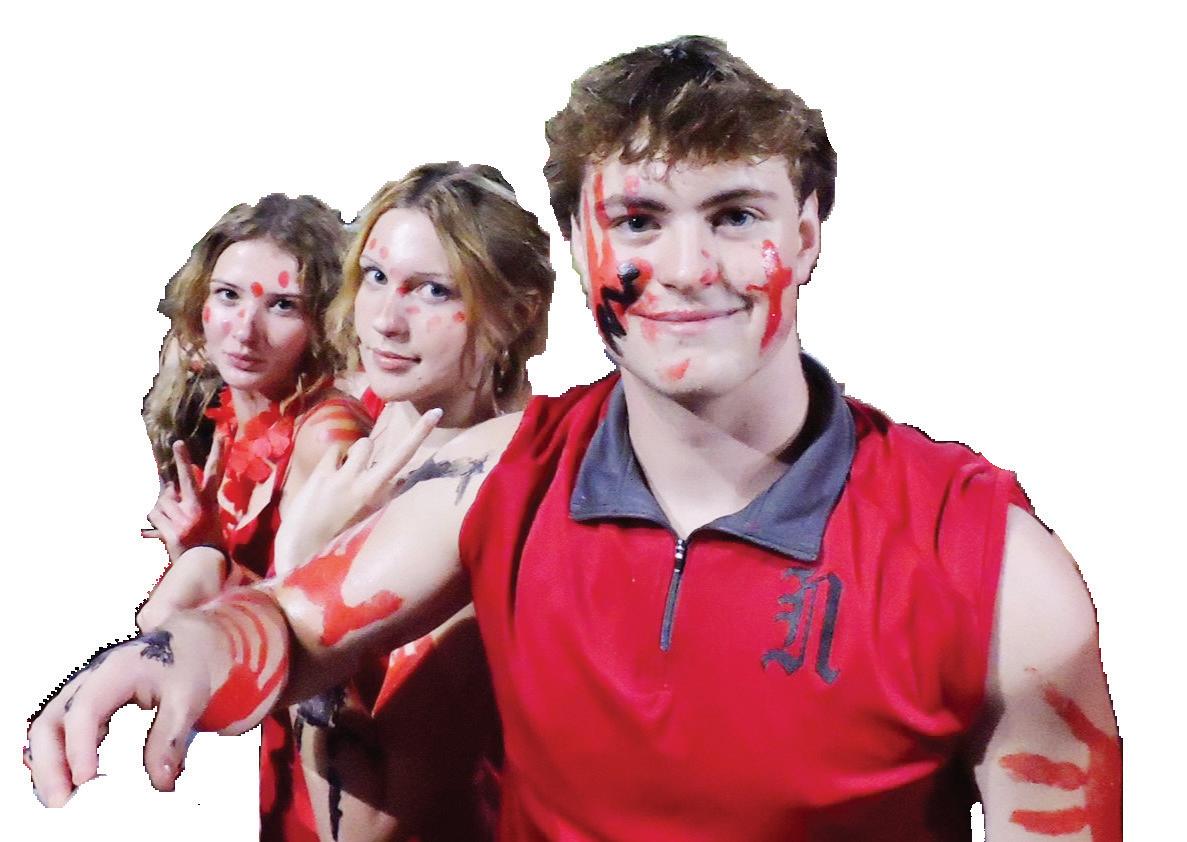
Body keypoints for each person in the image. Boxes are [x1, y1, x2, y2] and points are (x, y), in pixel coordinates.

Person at [27, 36, 1120, 841]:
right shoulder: (497, 478)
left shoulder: (989, 570)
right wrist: (170, 653)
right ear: (579, 240)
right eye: (638, 220)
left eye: (733, 215)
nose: (685, 269)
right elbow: (292, 625)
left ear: (806, 231)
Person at [279, 162, 552, 842]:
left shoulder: (494, 502)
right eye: (374, 277)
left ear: (515, 315)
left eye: (433, 290)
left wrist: (301, 576)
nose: (385, 320)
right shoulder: (342, 442)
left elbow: (367, 829)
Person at [132, 193, 382, 840]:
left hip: (351, 750)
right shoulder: (229, 420)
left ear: (324, 321)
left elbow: (332, 628)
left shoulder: (327, 434)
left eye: (282, 306)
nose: (245, 330)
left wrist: (203, 563)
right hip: (284, 727)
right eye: (228, 296)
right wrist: (199, 549)